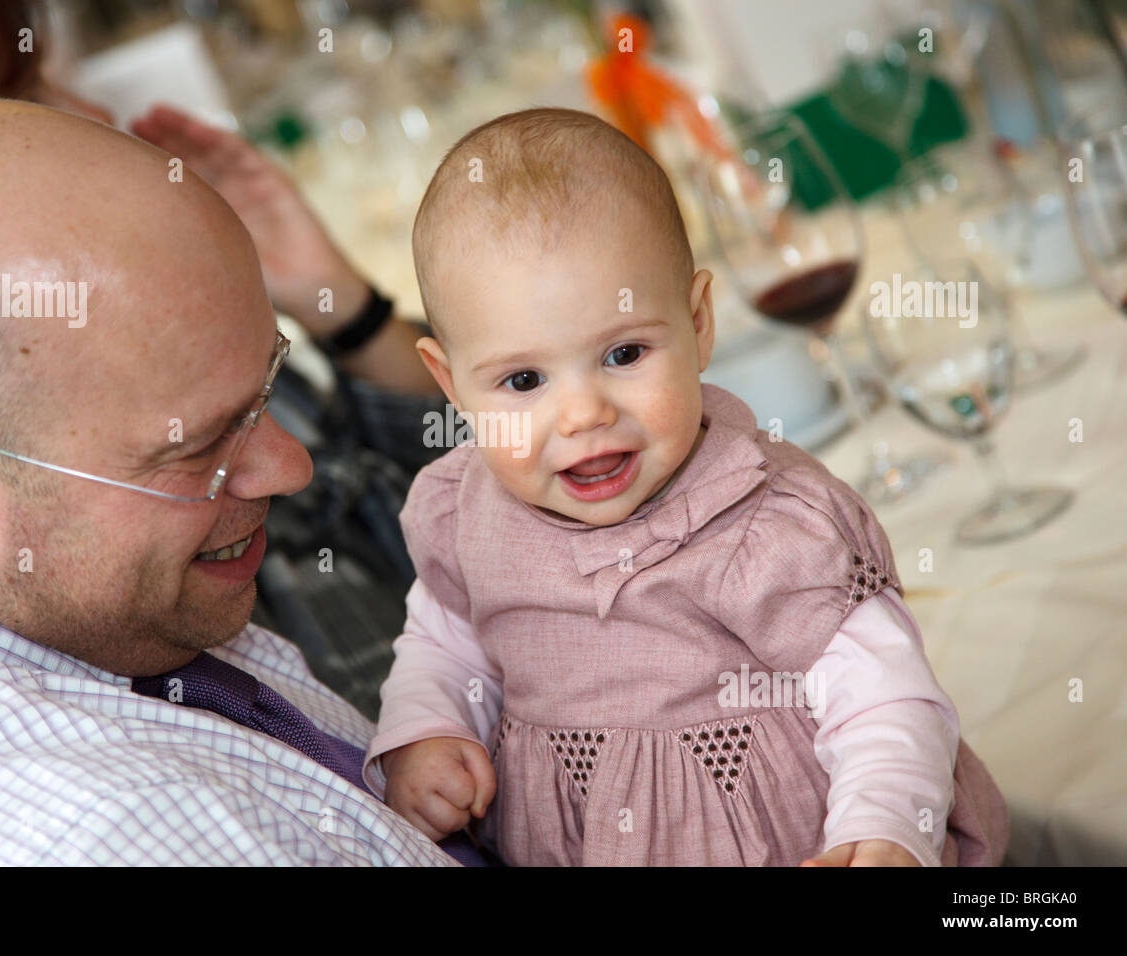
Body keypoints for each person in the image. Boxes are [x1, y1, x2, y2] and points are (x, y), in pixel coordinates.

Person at [0, 95, 482, 865]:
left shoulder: (83, 603)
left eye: (269, 382)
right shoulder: (118, 834)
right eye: (197, 447)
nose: (289, 467)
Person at [363, 108, 1011, 866]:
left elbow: (885, 697)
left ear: (700, 324)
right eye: (524, 379)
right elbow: (444, 648)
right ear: (450, 383)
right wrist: (424, 728)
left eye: (625, 353)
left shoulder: (766, 522)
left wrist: (884, 828)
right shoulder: (465, 516)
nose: (584, 414)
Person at [0, 0, 448, 720]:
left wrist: (345, 309)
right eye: (22, 103)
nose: (91, 108)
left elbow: (455, 506)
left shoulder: (156, 347)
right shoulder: (84, 567)